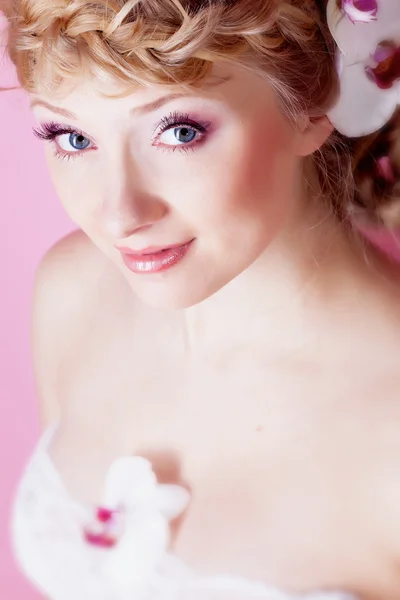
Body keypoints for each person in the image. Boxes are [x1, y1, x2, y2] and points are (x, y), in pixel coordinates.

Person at [1, 0, 400, 598]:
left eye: (179, 131)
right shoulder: (73, 291)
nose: (119, 214)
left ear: (315, 100)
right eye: (72, 136)